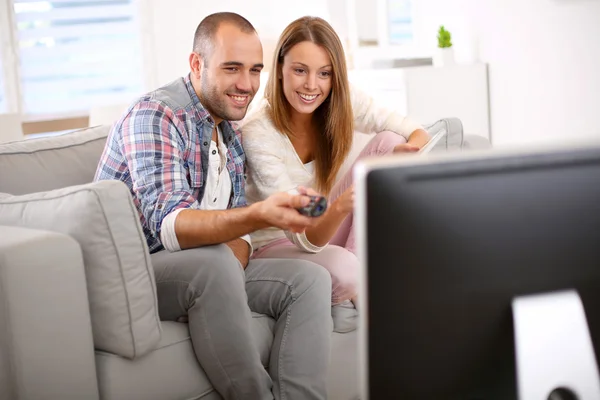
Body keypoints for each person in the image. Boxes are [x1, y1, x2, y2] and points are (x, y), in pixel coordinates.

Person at [95, 12, 333, 400]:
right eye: (232, 68)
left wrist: (236, 249)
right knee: (214, 265)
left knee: (309, 280)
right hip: (130, 273)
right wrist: (257, 215)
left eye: (255, 70)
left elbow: (240, 238)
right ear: (196, 64)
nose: (247, 85)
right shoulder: (156, 115)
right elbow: (169, 226)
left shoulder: (229, 130)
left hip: (206, 270)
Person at [240, 16, 430, 311]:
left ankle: (359, 275)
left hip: (322, 223)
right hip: (276, 244)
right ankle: (358, 276)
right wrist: (342, 204)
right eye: (300, 70)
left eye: (324, 73)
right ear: (279, 69)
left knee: (391, 142)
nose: (312, 85)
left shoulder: (339, 99)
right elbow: (302, 237)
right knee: (345, 269)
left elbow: (415, 131)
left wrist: (408, 153)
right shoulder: (257, 131)